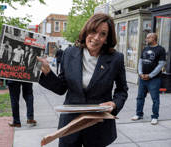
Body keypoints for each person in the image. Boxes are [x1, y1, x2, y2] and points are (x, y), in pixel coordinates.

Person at [37, 13, 128, 147]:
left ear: (107, 38)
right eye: (93, 31)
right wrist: (47, 72)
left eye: (102, 34)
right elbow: (61, 87)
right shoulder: (69, 53)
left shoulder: (116, 59)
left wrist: (114, 104)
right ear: (86, 30)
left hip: (98, 127)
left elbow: (122, 91)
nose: (96, 37)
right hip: (70, 125)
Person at [131, 33, 166, 125]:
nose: (146, 39)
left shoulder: (161, 49)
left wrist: (150, 75)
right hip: (143, 78)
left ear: (153, 38)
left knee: (155, 99)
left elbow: (161, 65)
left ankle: (154, 117)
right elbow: (140, 62)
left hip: (154, 79)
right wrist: (140, 73)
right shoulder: (145, 49)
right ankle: (139, 114)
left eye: (147, 38)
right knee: (140, 97)